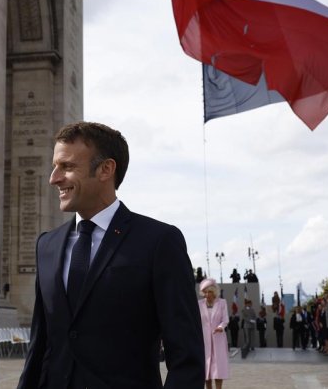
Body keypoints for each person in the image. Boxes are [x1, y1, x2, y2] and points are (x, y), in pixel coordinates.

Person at [18, 121, 203, 388]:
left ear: (106, 169)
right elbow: (40, 345)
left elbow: (187, 356)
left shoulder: (159, 242)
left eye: (67, 166)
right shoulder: (47, 245)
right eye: (55, 166)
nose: (53, 178)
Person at [199, 279, 230, 388]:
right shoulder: (199, 304)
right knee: (206, 369)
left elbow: (225, 319)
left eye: (210, 292)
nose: (207, 294)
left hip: (218, 338)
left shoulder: (222, 303)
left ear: (214, 292)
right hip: (204, 340)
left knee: (218, 368)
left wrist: (220, 327)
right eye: (205, 292)